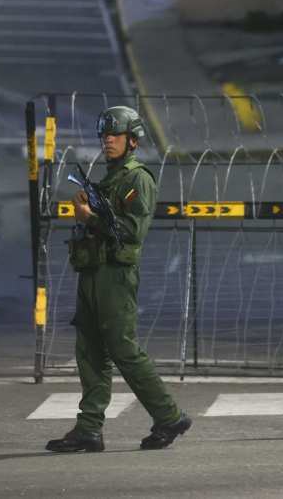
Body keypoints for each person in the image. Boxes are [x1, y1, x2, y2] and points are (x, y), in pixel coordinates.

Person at [46, 106, 192, 452]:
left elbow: (132, 230)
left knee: (123, 348)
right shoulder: (111, 177)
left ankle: (169, 416)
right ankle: (89, 429)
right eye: (104, 135)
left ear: (133, 141)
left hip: (115, 275)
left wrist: (90, 217)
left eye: (115, 135)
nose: (107, 140)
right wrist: (89, 206)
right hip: (92, 270)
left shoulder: (137, 178)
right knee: (90, 351)